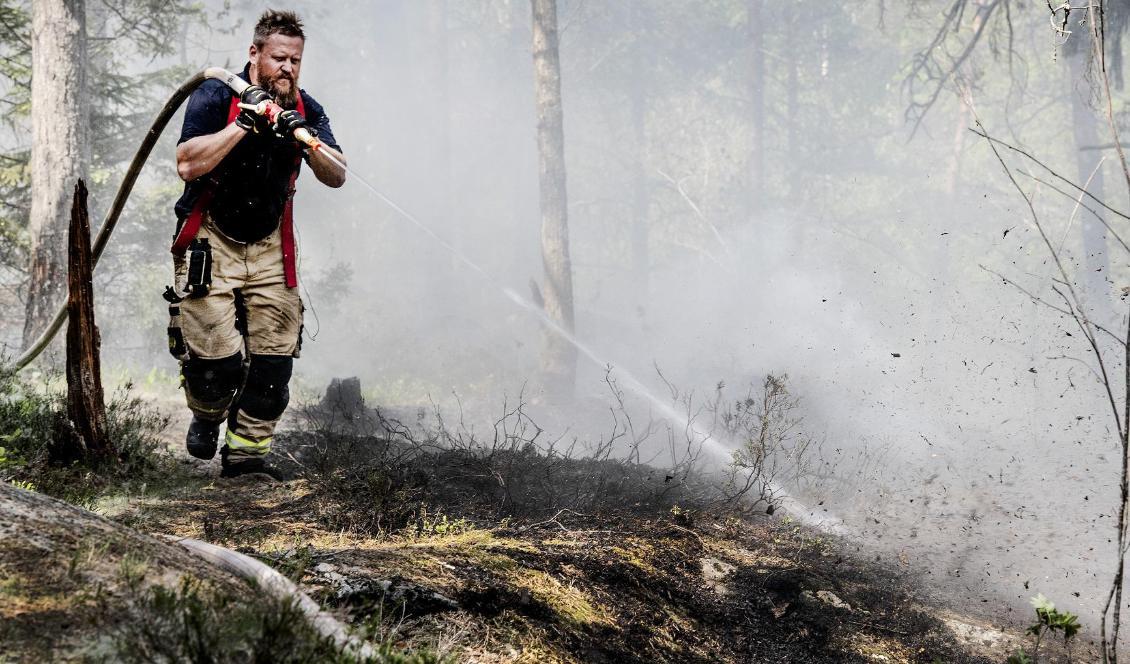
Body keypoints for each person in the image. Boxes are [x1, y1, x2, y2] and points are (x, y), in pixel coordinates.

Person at [169, 9, 346, 478]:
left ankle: (246, 460)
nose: (287, 68)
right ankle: (207, 413)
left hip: (270, 246)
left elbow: (338, 176)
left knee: (274, 365)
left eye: (296, 60)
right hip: (211, 237)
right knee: (217, 365)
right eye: (279, 58)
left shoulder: (306, 110)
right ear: (255, 54)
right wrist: (244, 124)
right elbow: (187, 165)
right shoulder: (215, 95)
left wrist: (307, 142)